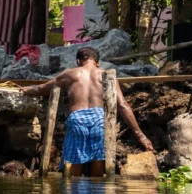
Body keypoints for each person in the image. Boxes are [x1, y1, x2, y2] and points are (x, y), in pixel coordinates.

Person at [22, 47, 153, 176]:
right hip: (99, 120)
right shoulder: (106, 75)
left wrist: (26, 90)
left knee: (74, 165)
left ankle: (74, 193)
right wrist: (141, 135)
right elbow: (123, 105)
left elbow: (43, 89)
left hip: (77, 119)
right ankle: (96, 193)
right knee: (98, 164)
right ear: (98, 62)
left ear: (78, 62)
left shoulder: (70, 74)